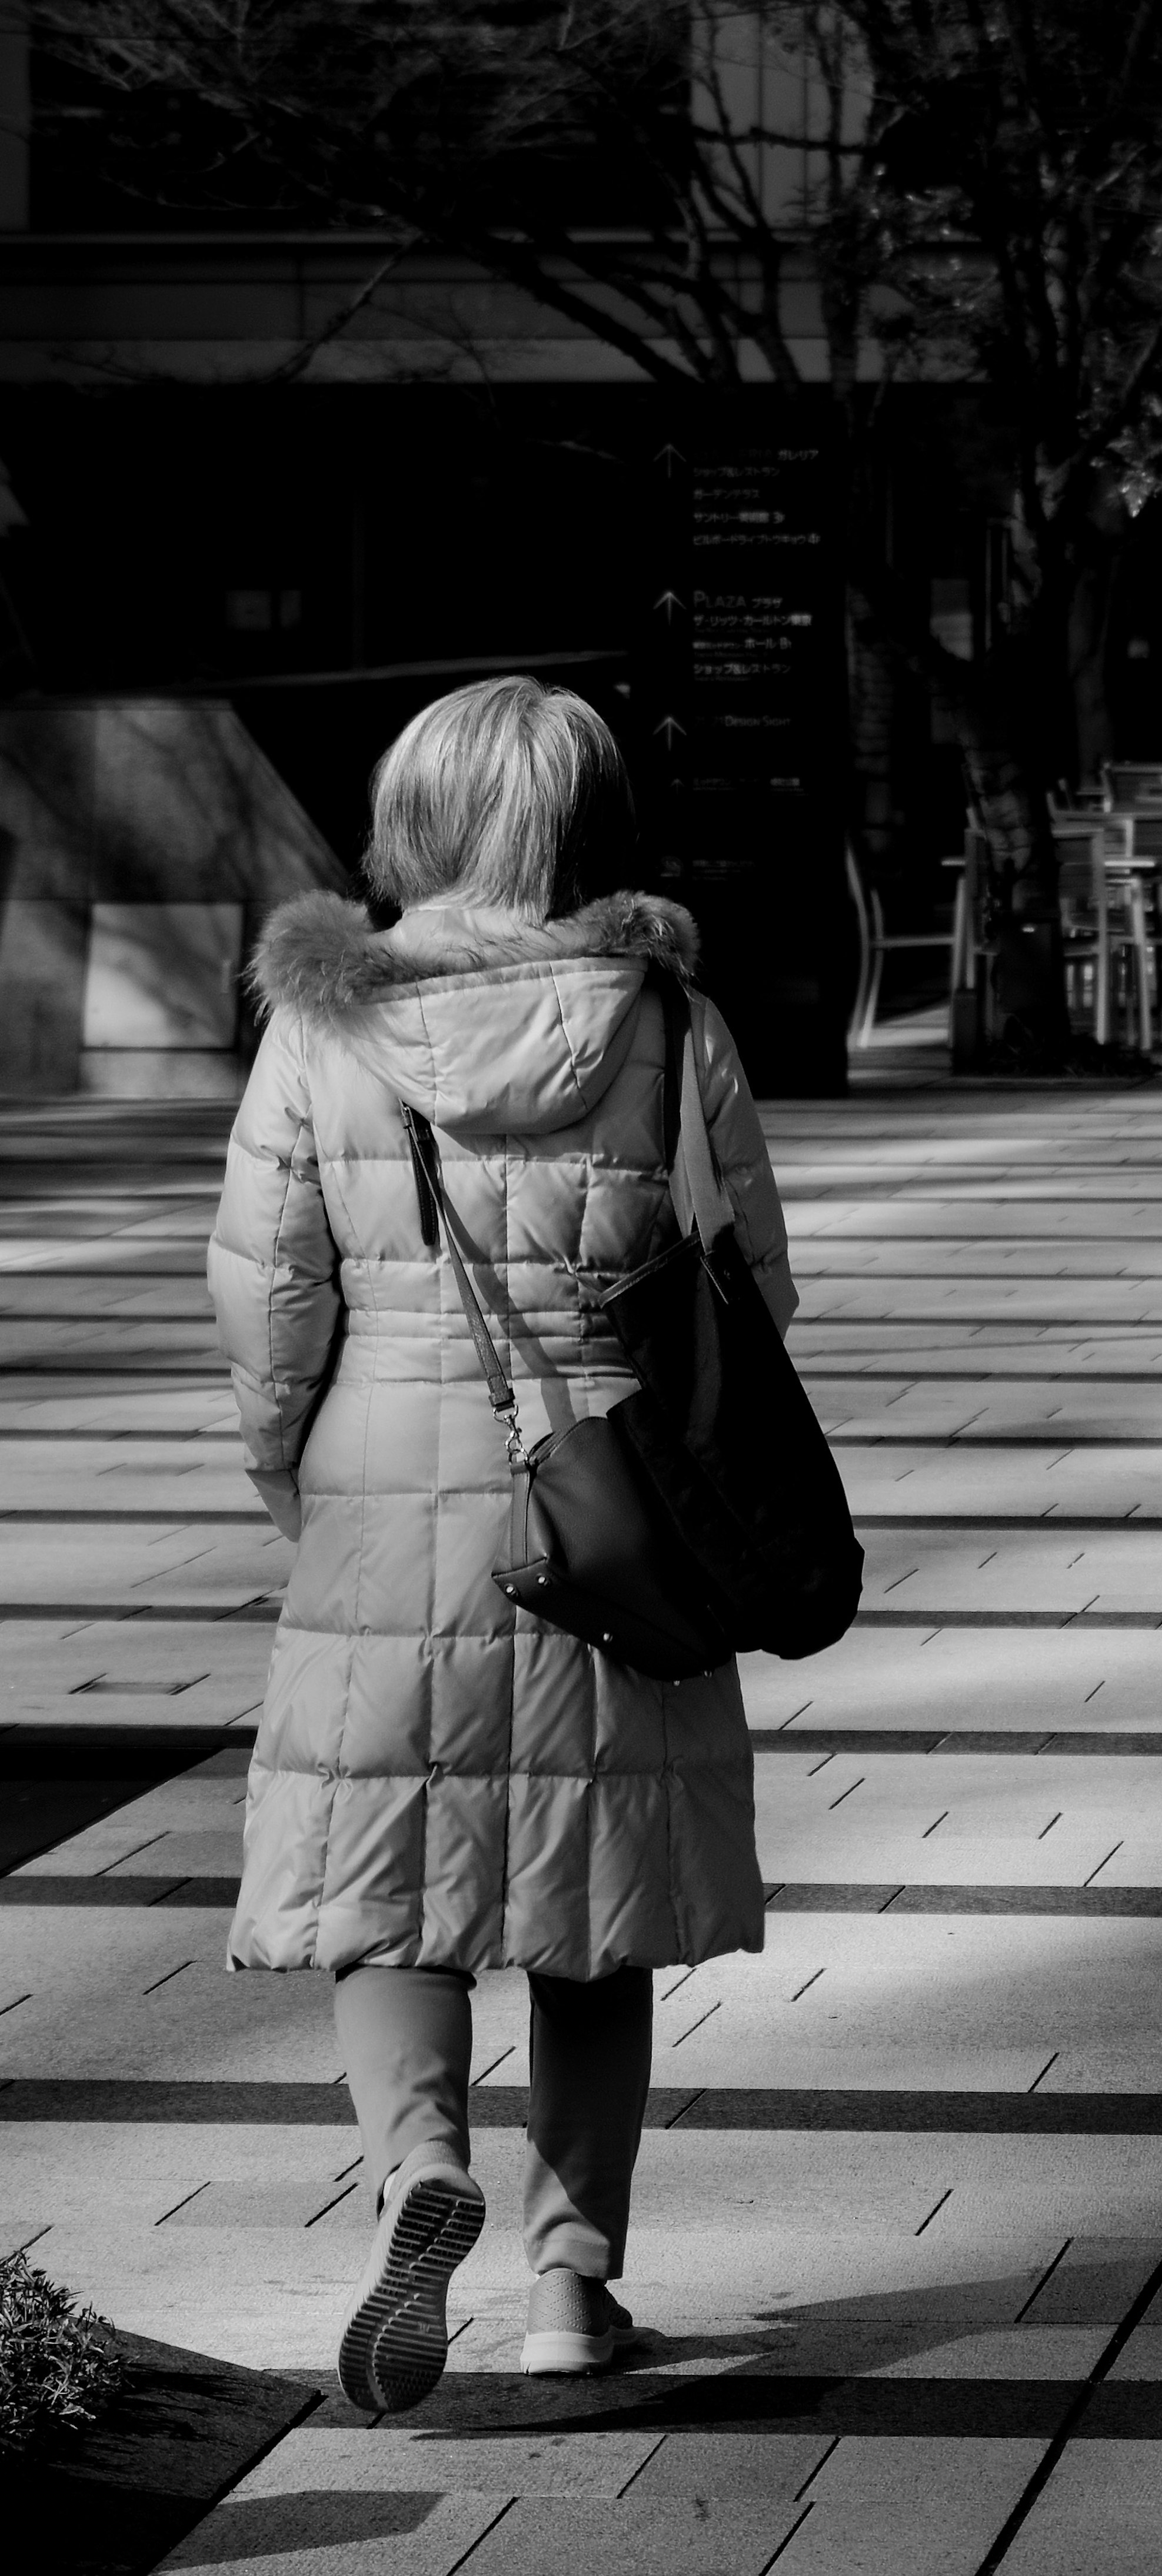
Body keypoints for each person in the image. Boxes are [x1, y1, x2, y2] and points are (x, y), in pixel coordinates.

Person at [207, 678, 794, 2413]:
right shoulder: (669, 1020)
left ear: (419, 818)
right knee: (594, 1912)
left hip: (387, 1507)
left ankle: (414, 2172)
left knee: (387, 1891)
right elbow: (755, 1289)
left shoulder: (324, 1027)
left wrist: (292, 1481)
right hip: (614, 1516)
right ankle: (569, 2288)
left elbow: (266, 1288)